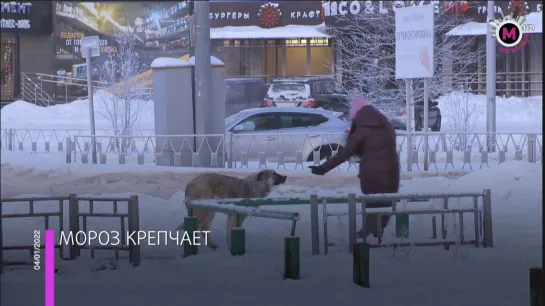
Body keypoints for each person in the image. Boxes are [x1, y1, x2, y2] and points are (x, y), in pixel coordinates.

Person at [309, 95, 400, 238]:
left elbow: (346, 152)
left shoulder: (362, 129)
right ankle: (378, 236)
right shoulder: (387, 125)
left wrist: (323, 168)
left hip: (372, 176)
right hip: (392, 173)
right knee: (384, 205)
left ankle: (367, 238)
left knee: (371, 205)